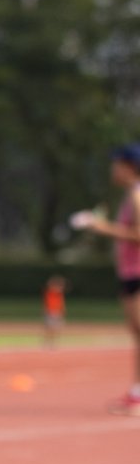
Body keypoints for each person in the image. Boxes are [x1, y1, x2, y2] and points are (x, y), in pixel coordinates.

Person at [74, 142, 140, 413]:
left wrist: (101, 227)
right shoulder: (131, 195)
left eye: (116, 164)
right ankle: (136, 392)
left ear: (128, 167)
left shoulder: (137, 196)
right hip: (129, 273)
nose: (112, 169)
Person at [42, 274, 67, 350]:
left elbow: (61, 303)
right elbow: (52, 288)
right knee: (50, 328)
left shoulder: (59, 294)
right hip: (51, 312)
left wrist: (63, 310)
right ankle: (48, 343)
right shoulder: (50, 292)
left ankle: (53, 343)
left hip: (57, 312)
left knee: (56, 328)